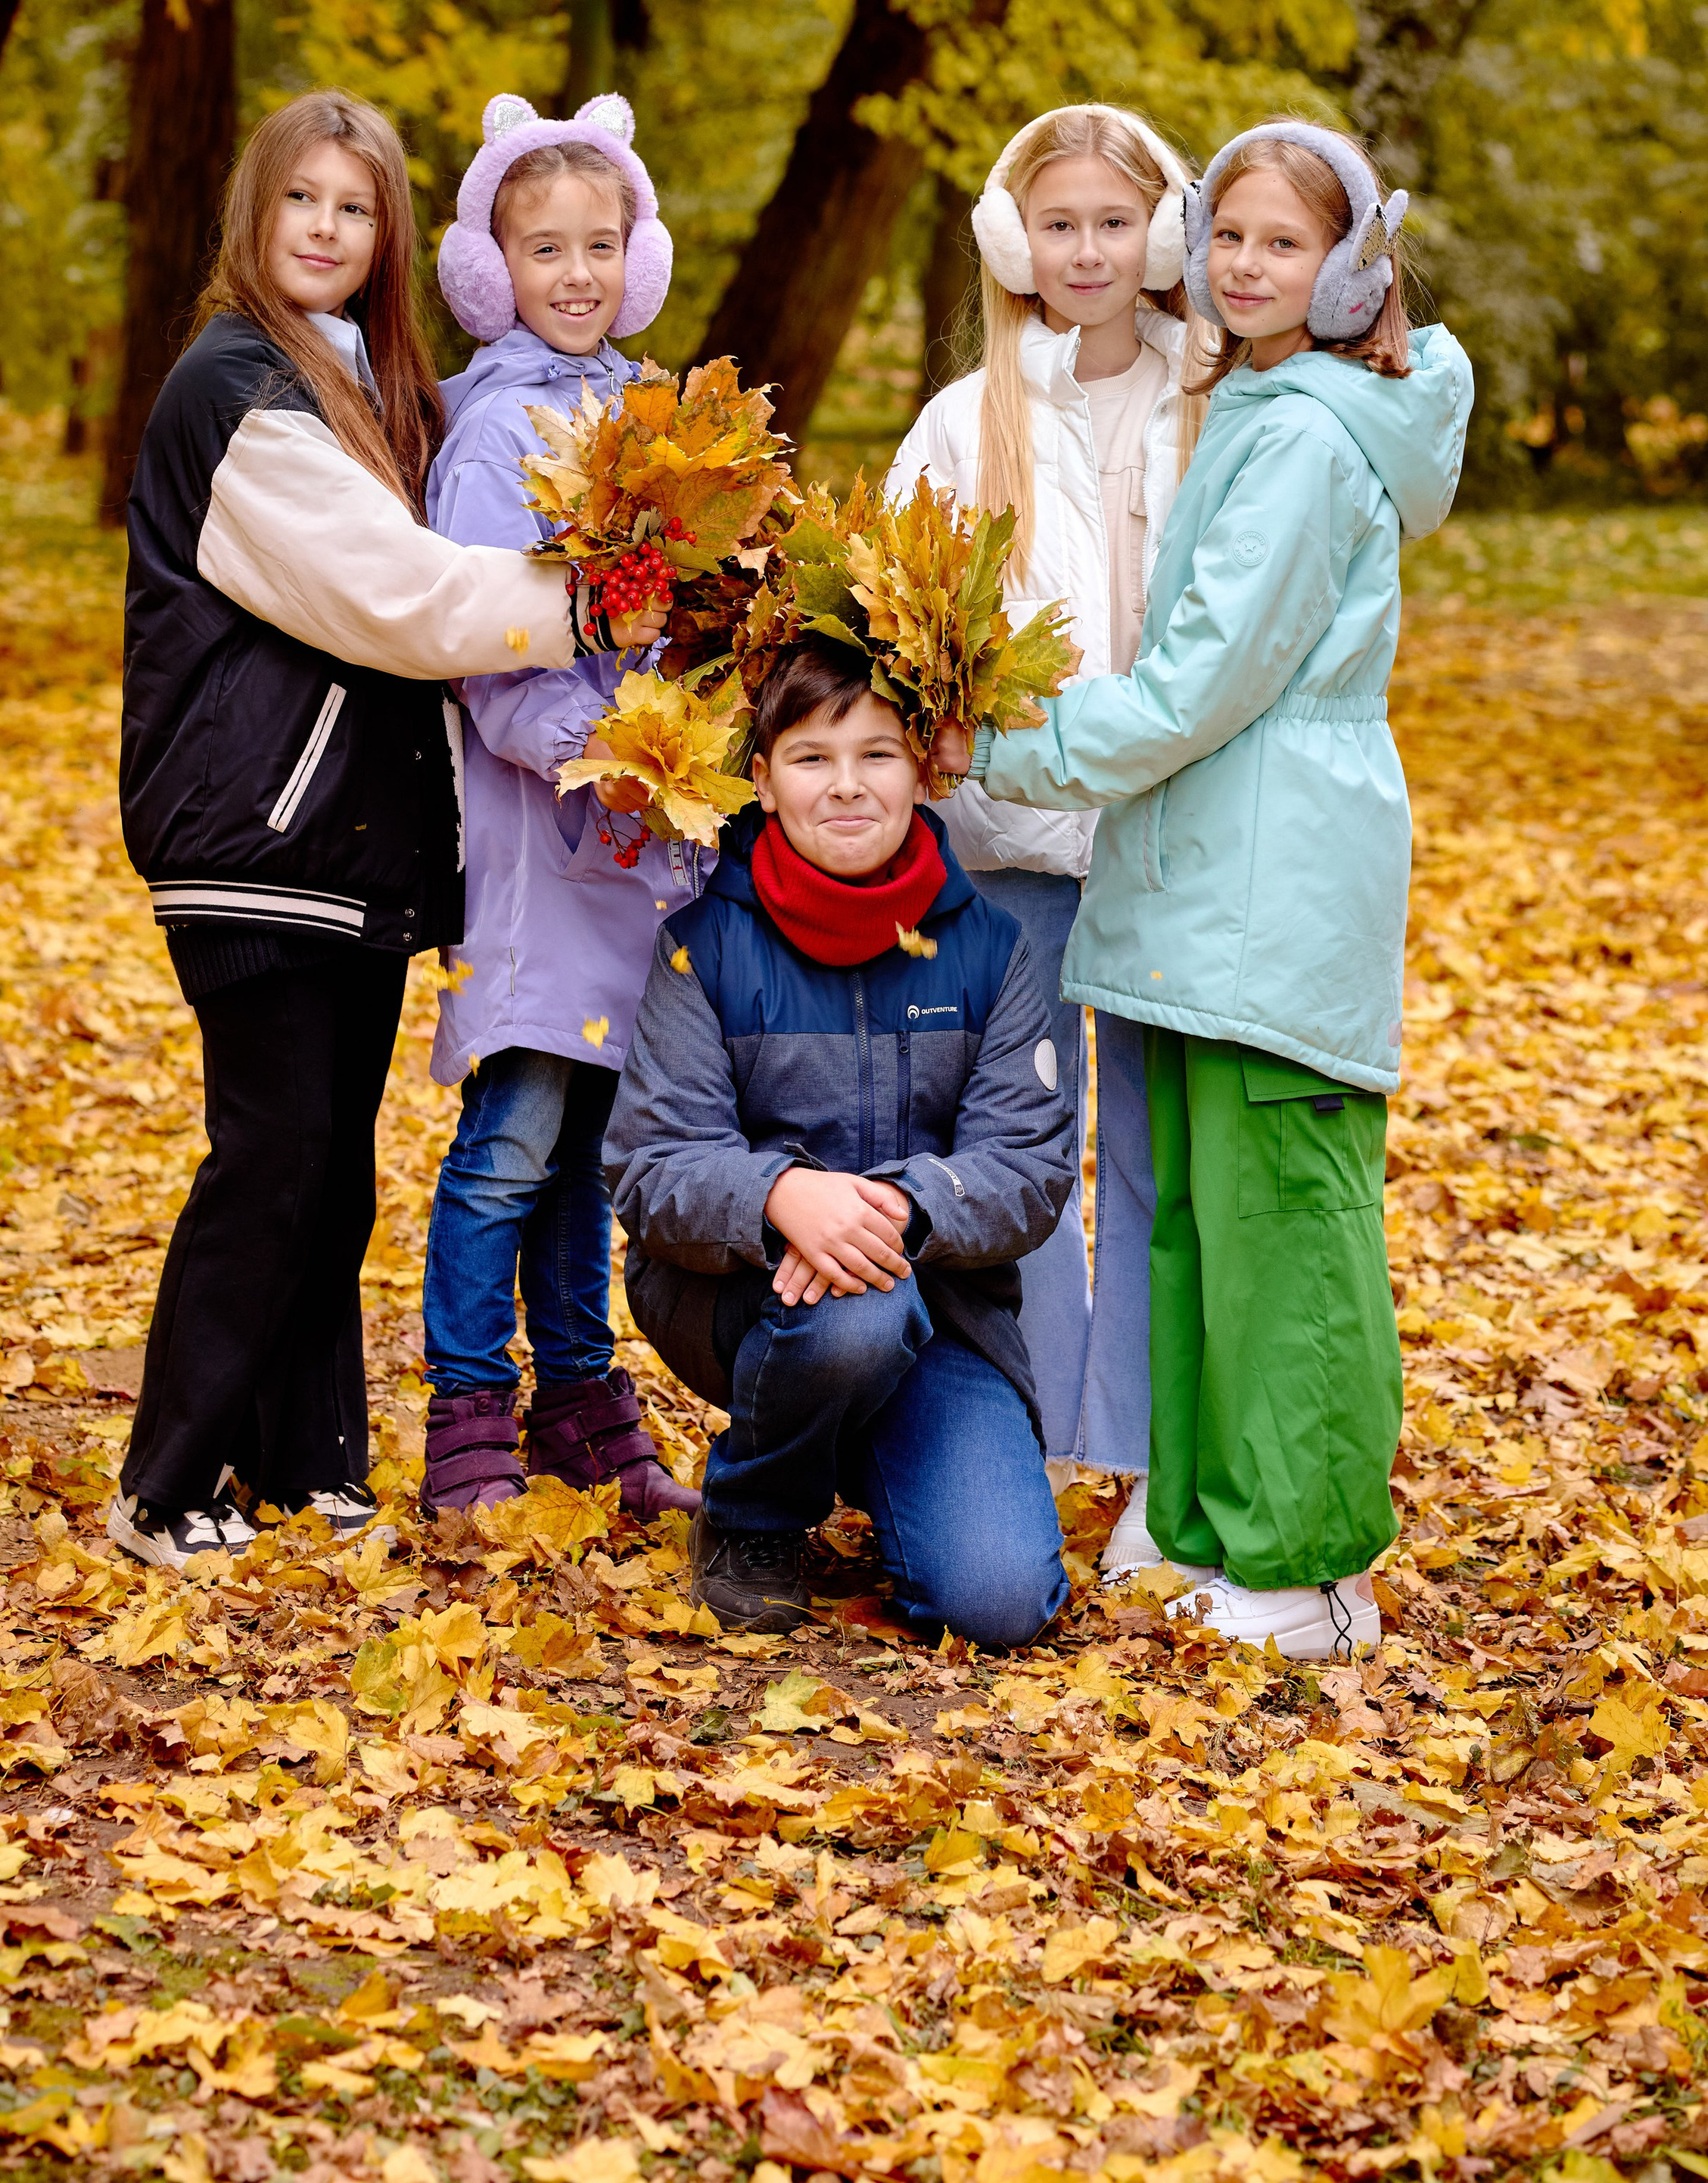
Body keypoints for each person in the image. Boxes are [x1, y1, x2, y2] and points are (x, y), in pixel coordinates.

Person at [112, 90, 660, 1575]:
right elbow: (400, 595)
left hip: (339, 839)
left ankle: (304, 1460)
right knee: (273, 1155)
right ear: (255, 217)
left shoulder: (351, 376)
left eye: (354, 211)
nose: (327, 232)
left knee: (326, 1160)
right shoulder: (236, 393)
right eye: (303, 204)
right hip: (256, 824)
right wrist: (592, 608)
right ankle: (165, 1477)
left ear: (389, 237)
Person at [951, 120, 1472, 1661]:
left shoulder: (1310, 437)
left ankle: (1307, 1564)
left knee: (1281, 1226)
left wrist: (992, 747)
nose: (1245, 267)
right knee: (1194, 1218)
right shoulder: (1250, 402)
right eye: (1228, 235)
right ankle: (1197, 1514)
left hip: (1266, 865)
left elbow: (1192, 687)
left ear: (1350, 265)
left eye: (1283, 244)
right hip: (1192, 871)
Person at [605, 634, 1075, 1647]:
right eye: (813, 758)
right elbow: (649, 1167)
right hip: (736, 1297)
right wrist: (779, 1198)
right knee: (858, 1315)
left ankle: (867, 1447)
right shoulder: (705, 946)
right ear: (764, 782)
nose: (847, 786)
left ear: (922, 771)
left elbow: (1028, 1169)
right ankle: (756, 1514)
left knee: (995, 1603)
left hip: (943, 1314)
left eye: (878, 754)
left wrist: (897, 1209)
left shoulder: (988, 947)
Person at [888, 104, 1208, 1580]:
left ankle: (1142, 1455)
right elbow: (895, 615)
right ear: (1017, 240)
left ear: (1159, 229)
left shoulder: (1207, 398)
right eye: (1059, 223)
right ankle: (1021, 1428)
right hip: (1003, 846)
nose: (1085, 250)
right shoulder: (966, 420)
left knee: (1153, 1151)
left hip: (1164, 846)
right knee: (1019, 1146)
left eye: (1110, 221)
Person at [418, 91, 699, 1521]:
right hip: (543, 847)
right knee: (511, 1143)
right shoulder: (495, 436)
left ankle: (581, 1400)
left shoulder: (649, 423)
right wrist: (627, 751)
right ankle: (467, 1407)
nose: (579, 273)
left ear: (638, 258)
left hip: (634, 848)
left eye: (602, 244)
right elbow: (489, 661)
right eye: (546, 249)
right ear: (492, 270)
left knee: (589, 1150)